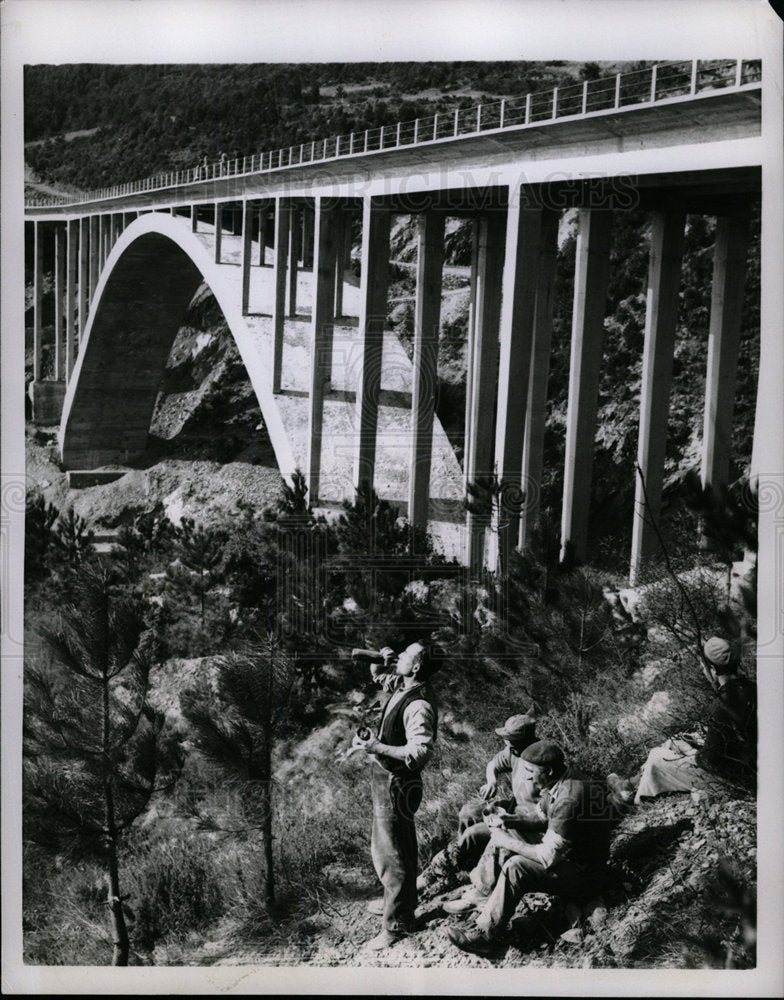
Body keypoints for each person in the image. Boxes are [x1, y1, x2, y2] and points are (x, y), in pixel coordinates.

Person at [447, 740, 613, 955]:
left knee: (517, 867)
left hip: (585, 875)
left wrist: (506, 841)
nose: (526, 777)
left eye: (530, 771)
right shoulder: (560, 781)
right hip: (571, 860)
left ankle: (485, 935)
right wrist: (510, 820)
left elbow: (547, 857)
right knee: (506, 833)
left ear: (549, 770)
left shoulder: (569, 798)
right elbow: (541, 817)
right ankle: (485, 895)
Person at [350, 642, 439, 950]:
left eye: (405, 655)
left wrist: (377, 748)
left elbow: (420, 752)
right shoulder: (403, 683)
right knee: (396, 845)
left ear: (416, 667)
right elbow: (379, 677)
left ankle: (396, 924)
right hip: (387, 778)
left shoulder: (419, 705)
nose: (399, 655)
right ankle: (399, 902)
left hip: (398, 782)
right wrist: (380, 659)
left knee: (393, 854)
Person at [607, 636, 757, 806]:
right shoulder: (754, 688)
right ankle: (628, 785)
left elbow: (711, 760)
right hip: (746, 764)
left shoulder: (723, 703)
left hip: (734, 778)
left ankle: (632, 798)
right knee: (676, 741)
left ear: (712, 669)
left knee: (656, 757)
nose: (702, 669)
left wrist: (695, 752)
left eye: (703, 666)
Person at [417, 713, 539, 897]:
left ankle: (438, 872)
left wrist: (508, 819)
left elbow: (544, 816)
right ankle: (466, 865)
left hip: (527, 826)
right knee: (468, 812)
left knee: (472, 834)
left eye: (510, 739)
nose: (506, 743)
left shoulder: (540, 761)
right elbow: (493, 764)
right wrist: (492, 782)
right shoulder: (514, 751)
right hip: (514, 810)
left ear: (525, 740)